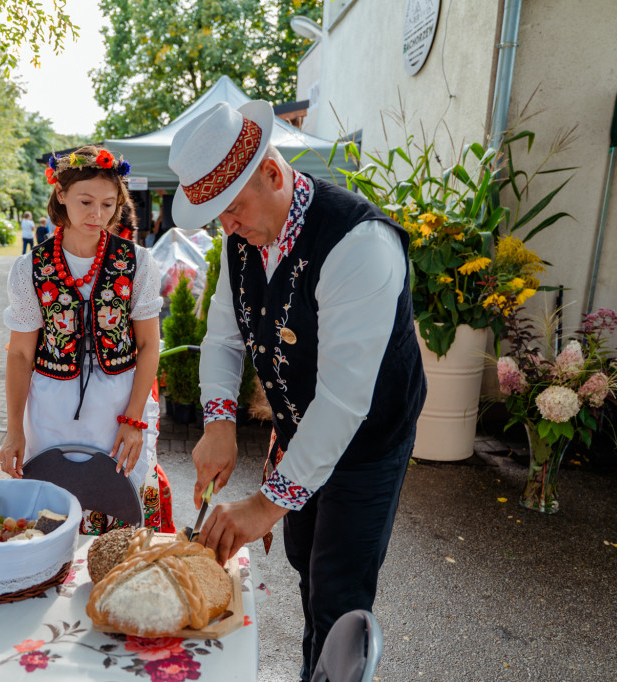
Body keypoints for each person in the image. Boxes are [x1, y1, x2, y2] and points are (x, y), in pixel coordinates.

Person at [168, 101, 426, 681]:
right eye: (219, 219)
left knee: (339, 592)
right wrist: (218, 423)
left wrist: (264, 504)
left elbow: (342, 403)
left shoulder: (359, 246)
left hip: (367, 439)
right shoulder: (242, 238)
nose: (228, 230)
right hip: (300, 428)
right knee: (304, 559)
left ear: (275, 174)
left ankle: (332, 669)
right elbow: (223, 336)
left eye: (233, 210)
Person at [0, 145, 173, 534]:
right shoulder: (30, 267)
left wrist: (133, 419)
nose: (98, 215)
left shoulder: (137, 262)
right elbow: (21, 355)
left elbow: (148, 346)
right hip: (50, 406)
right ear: (61, 195)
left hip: (119, 403)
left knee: (119, 502)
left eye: (109, 204)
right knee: (52, 505)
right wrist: (14, 428)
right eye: (86, 201)